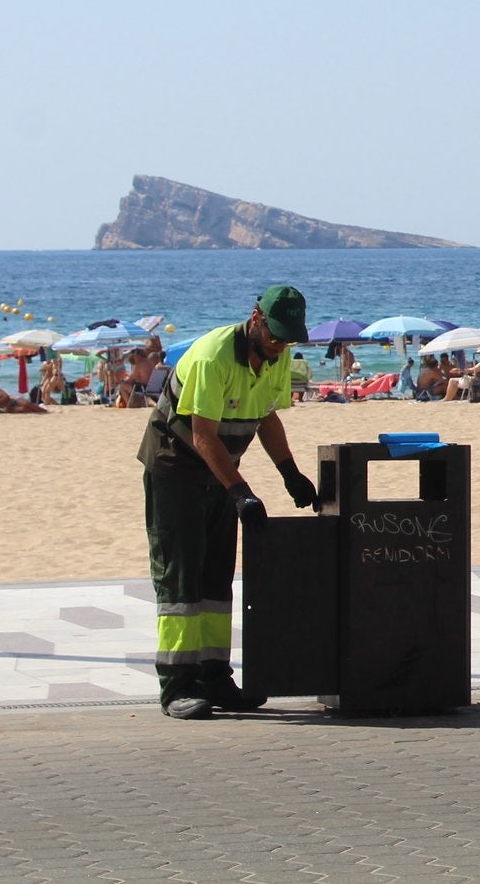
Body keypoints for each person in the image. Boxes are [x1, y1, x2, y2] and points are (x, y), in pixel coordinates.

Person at [136, 283, 319, 721]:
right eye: (274, 336)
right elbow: (203, 436)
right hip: (176, 469)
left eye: (287, 340)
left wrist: (290, 472)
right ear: (256, 319)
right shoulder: (212, 356)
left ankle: (215, 677)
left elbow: (267, 415)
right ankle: (177, 686)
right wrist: (241, 492)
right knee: (181, 581)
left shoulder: (276, 356)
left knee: (217, 579)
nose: (279, 347)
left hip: (221, 472)